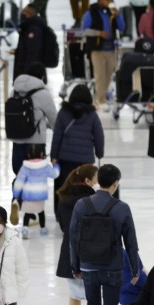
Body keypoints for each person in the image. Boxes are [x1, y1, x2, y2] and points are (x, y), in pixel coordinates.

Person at [70, 165, 140, 305]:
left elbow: (73, 239)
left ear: (98, 180)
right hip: (113, 268)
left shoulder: (81, 205)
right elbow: (131, 242)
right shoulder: (121, 208)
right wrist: (134, 269)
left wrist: (75, 266)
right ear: (116, 183)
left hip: (88, 266)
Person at [9, 62, 58, 226]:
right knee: (34, 178)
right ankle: (30, 215)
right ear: (42, 76)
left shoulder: (15, 89)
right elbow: (54, 119)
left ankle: (16, 200)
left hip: (17, 140)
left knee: (20, 175)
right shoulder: (43, 93)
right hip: (35, 143)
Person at [56, 164, 98, 305]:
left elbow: (62, 224)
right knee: (95, 295)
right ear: (88, 181)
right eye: (96, 179)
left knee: (74, 295)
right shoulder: (93, 198)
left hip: (69, 250)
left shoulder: (63, 196)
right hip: (92, 250)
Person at [50, 84, 104, 216]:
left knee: (64, 187)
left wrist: (54, 156)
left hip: (65, 159)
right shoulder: (92, 115)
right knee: (84, 188)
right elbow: (99, 135)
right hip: (85, 161)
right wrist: (99, 153)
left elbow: (57, 135)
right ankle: (83, 212)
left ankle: (61, 213)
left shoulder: (63, 112)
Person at [81, 0, 126, 110]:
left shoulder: (113, 13)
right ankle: (100, 100)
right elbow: (85, 30)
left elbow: (122, 28)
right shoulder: (91, 12)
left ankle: (103, 97)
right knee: (100, 75)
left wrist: (118, 16)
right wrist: (99, 33)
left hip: (111, 48)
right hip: (97, 49)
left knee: (108, 75)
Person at [12, 144, 59, 239]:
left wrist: (16, 194)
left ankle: (25, 228)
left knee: (27, 213)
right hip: (40, 194)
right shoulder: (45, 166)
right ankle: (43, 229)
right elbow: (55, 174)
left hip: (28, 195)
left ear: (28, 155)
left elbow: (19, 182)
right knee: (41, 212)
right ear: (42, 154)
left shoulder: (25, 167)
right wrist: (56, 165)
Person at [13, 4, 47, 78]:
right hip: (28, 73)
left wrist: (27, 74)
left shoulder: (33, 30)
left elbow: (33, 53)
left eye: (23, 13)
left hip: (29, 75)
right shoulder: (28, 28)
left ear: (28, 14)